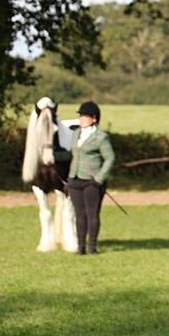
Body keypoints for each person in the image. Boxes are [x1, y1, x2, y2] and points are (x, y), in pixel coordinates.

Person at [54, 101, 115, 255]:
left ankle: (92, 247)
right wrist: (53, 157)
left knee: (91, 214)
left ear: (94, 119)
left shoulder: (101, 137)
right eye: (80, 115)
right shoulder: (76, 134)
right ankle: (81, 247)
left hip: (92, 181)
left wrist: (99, 178)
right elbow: (72, 154)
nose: (81, 118)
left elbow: (110, 158)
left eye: (84, 116)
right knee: (79, 214)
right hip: (74, 179)